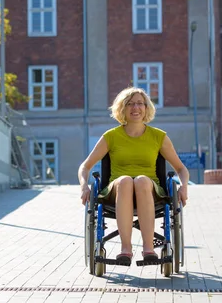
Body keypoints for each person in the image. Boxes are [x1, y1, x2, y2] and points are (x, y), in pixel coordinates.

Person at [78, 87, 189, 265]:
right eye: (130, 104)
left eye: (139, 103)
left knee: (142, 181)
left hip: (149, 190)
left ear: (146, 108)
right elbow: (85, 166)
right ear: (122, 108)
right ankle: (125, 249)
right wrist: (84, 186)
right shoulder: (111, 136)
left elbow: (181, 169)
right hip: (117, 190)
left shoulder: (158, 137)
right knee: (126, 181)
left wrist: (184, 186)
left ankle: (148, 249)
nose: (135, 108)